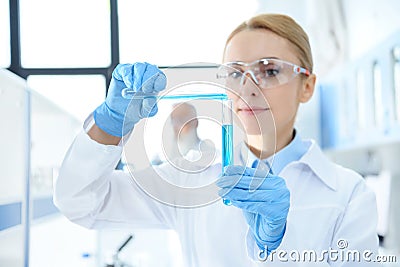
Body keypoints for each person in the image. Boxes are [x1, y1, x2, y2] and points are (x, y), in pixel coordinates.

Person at [54, 14, 379, 266]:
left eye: (269, 71)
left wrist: (277, 244)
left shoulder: (349, 195)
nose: (248, 87)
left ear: (307, 86)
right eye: (236, 73)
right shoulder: (189, 178)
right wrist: (109, 123)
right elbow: (80, 203)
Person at [151, 102, 215, 165]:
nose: (177, 125)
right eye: (174, 120)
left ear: (195, 122)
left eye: (182, 119)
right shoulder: (164, 157)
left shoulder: (209, 154)